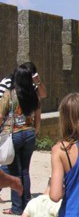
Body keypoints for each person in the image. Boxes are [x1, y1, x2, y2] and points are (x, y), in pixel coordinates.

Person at [0, 62, 46, 204]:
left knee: (14, 169)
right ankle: (26, 201)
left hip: (15, 133)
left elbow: (1, 115)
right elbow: (38, 116)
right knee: (25, 170)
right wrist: (35, 131)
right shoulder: (34, 95)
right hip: (29, 133)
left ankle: (16, 206)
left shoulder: (10, 94)